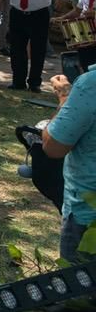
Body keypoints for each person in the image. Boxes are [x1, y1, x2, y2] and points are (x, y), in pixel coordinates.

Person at [42, 73, 96, 263]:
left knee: (79, 286)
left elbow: (54, 147)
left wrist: (65, 97)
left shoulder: (91, 84)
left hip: (89, 217)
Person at [0, 0, 56, 93]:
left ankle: (35, 83)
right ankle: (18, 81)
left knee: (38, 49)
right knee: (17, 48)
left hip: (39, 14)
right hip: (18, 13)